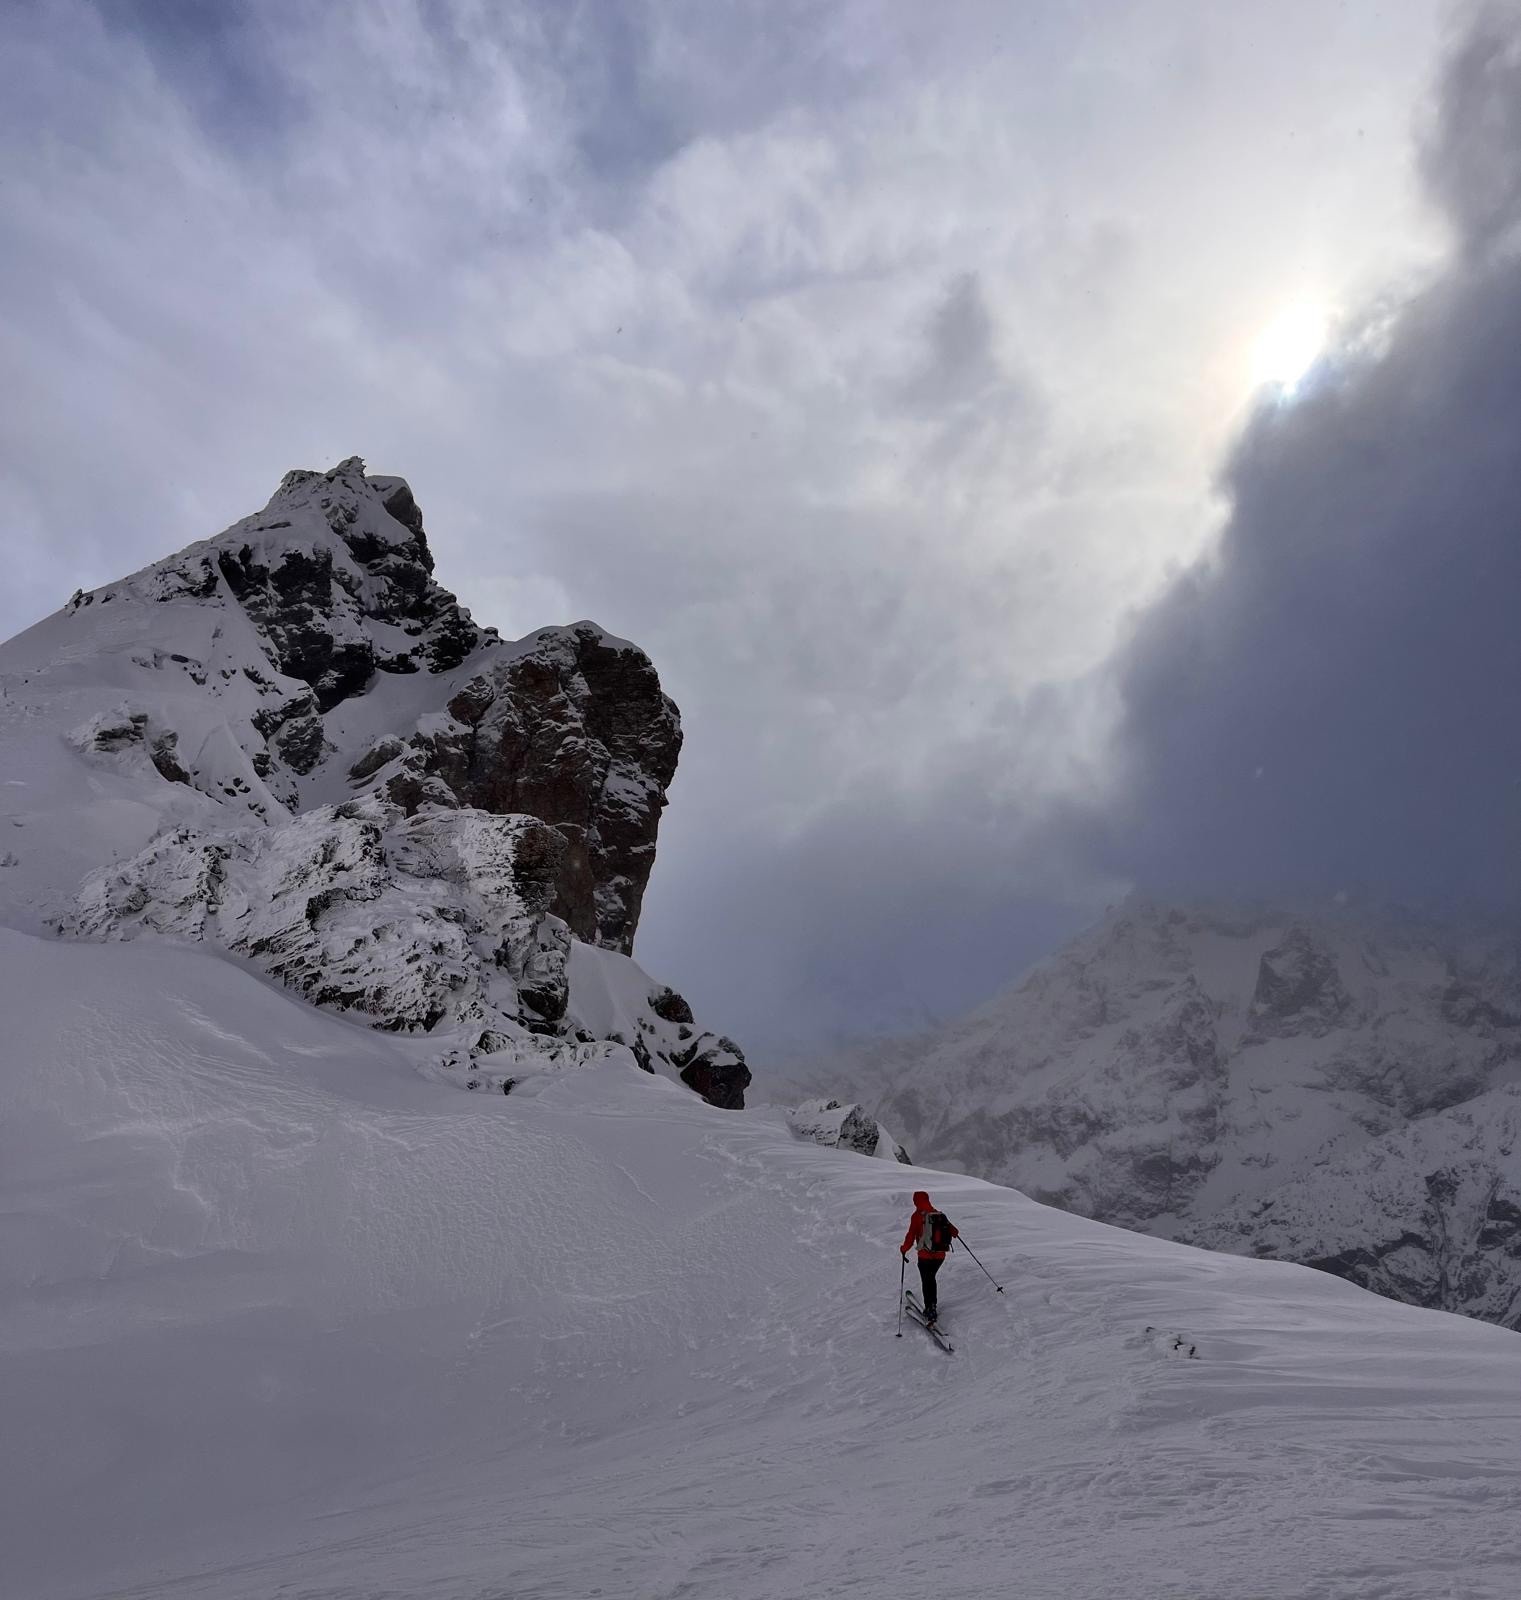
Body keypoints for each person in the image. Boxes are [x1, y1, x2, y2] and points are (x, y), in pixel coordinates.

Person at [900, 1190, 959, 1324]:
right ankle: (931, 1305)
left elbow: (910, 1235)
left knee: (927, 1280)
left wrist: (903, 1249)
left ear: (915, 1201)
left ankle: (930, 1308)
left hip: (925, 1256)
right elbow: (955, 1232)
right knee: (930, 1279)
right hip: (940, 1256)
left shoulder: (916, 1216)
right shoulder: (938, 1214)